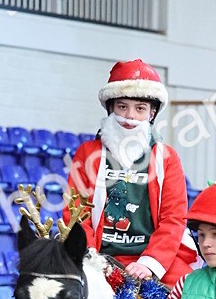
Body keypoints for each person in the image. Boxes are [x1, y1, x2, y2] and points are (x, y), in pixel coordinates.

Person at [65, 59, 197, 286]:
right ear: (111, 108)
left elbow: (173, 219)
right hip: (99, 257)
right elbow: (75, 213)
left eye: (140, 109)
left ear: (152, 113)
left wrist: (149, 263)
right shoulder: (87, 153)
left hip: (153, 256)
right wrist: (92, 259)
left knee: (191, 294)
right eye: (122, 106)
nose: (130, 116)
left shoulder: (167, 158)